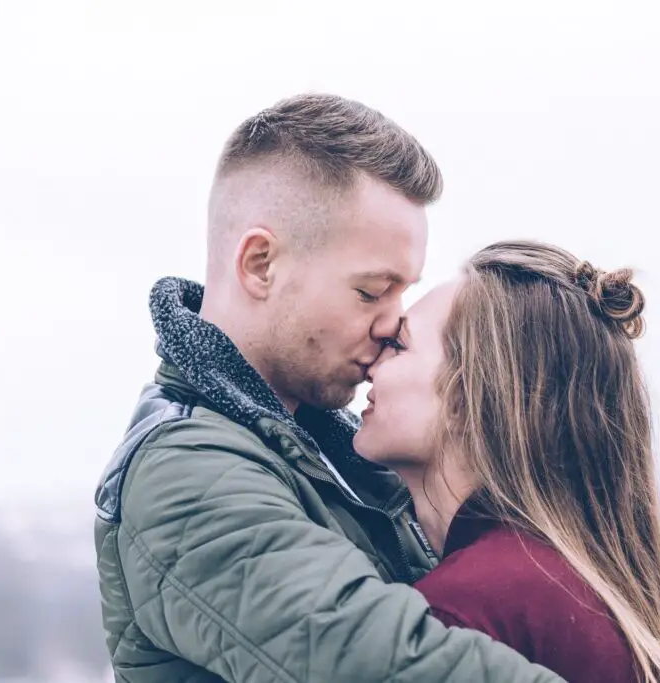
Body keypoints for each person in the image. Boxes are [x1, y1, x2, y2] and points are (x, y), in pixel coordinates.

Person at [94, 95, 562, 682]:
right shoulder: (186, 472)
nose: (393, 324)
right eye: (371, 292)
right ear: (261, 264)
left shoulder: (323, 446)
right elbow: (384, 664)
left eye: (403, 292)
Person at [354, 240, 660, 683]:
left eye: (399, 346)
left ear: (468, 397)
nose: (371, 359)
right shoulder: (584, 587)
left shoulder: (464, 614)